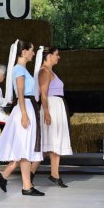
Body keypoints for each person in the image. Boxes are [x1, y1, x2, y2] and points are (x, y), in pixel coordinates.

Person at [0, 40, 44, 196]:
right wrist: (25, 114)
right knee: (25, 147)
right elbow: (20, 93)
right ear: (24, 51)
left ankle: (5, 175)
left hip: (27, 106)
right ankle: (26, 186)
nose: (33, 54)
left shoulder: (21, 69)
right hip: (25, 107)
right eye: (32, 50)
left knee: (23, 147)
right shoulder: (19, 69)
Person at [30, 47, 72, 187]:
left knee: (54, 143)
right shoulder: (45, 71)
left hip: (56, 106)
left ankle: (55, 175)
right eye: (56, 55)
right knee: (47, 143)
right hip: (51, 107)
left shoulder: (50, 71)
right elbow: (43, 93)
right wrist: (47, 112)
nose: (58, 57)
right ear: (49, 57)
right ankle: (29, 174)